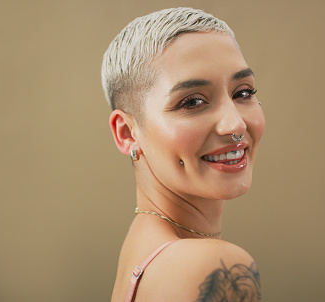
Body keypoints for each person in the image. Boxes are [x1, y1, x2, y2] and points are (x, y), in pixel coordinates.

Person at [101, 7, 265, 302]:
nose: (236, 125)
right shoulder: (210, 268)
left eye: (243, 93)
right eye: (192, 102)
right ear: (126, 132)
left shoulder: (141, 249)